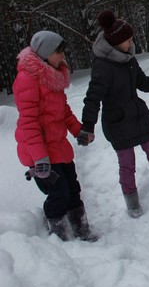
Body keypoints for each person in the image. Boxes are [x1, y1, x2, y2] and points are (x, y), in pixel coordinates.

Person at [80, 11, 149, 218]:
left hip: (138, 117)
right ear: (117, 41)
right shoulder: (102, 67)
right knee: (127, 164)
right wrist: (87, 126)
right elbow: (93, 97)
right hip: (118, 123)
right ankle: (132, 205)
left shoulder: (128, 59)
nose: (131, 43)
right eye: (128, 39)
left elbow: (143, 81)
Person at [13, 31, 98, 241]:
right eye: (58, 52)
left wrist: (79, 130)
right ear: (45, 53)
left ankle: (81, 228)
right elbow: (28, 123)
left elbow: (63, 111)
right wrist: (40, 158)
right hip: (39, 152)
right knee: (59, 192)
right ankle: (57, 232)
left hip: (57, 146)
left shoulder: (53, 75)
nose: (62, 56)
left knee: (73, 188)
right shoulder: (27, 80)